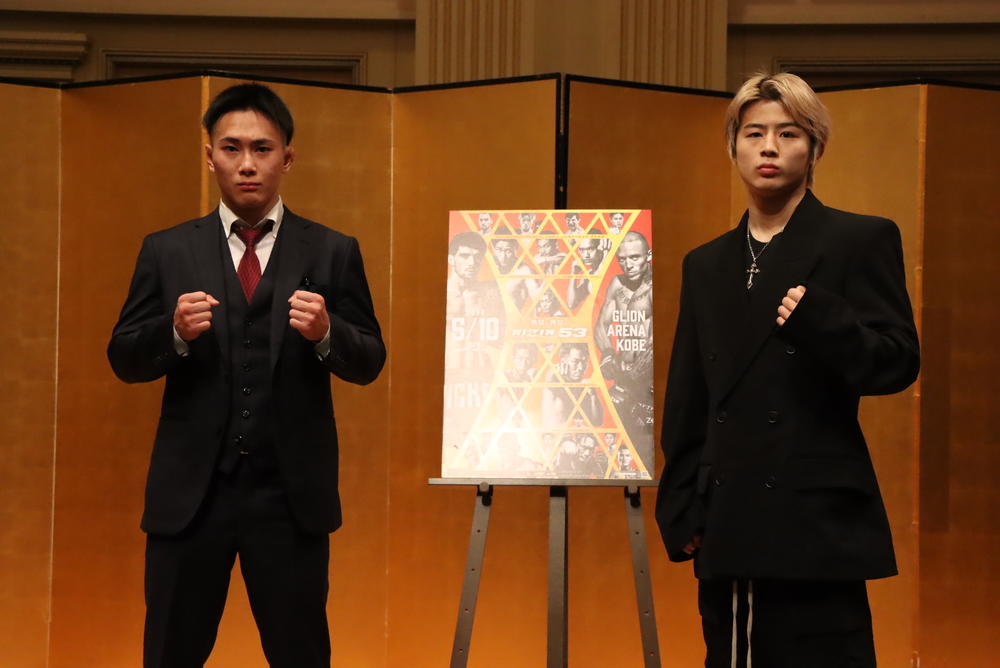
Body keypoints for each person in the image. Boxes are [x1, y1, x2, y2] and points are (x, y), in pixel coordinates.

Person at [107, 83, 386, 667]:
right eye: (231, 148)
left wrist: (326, 333)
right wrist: (173, 333)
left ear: (288, 157)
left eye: (262, 148)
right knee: (170, 653)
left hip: (290, 497)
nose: (247, 163)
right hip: (191, 497)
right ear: (210, 156)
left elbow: (369, 360)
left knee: (300, 654)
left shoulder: (333, 250)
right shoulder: (166, 250)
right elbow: (124, 357)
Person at [655, 72, 919, 668]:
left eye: (788, 133)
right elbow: (690, 393)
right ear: (734, 147)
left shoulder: (860, 239)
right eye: (754, 134)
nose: (769, 147)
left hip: (815, 513)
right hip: (729, 511)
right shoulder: (706, 263)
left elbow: (898, 362)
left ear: (815, 148)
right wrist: (681, 502)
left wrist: (823, 320)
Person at [595, 231, 654, 452]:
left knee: (645, 447)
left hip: (647, 383)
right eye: (622, 259)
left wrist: (647, 363)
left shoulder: (655, 287)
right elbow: (602, 324)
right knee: (618, 444)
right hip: (622, 377)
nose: (628, 265)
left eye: (635, 257)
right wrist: (607, 353)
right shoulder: (617, 284)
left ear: (648, 255)